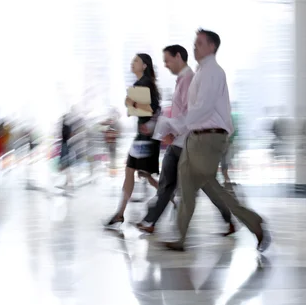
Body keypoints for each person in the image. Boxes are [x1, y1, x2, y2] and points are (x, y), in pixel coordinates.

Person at [163, 29, 270, 252]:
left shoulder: (213, 71)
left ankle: (253, 221)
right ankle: (180, 237)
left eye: (199, 43)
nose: (195, 47)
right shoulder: (202, 72)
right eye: (194, 43)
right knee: (187, 184)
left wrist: (177, 125)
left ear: (211, 47)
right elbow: (194, 110)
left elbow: (203, 108)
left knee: (209, 183)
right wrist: (180, 129)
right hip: (195, 137)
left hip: (209, 138)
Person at [135, 45, 235, 236]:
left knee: (206, 185)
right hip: (179, 142)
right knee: (167, 182)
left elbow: (194, 114)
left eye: (167, 60)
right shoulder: (182, 80)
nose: (165, 65)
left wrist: (173, 130)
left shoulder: (190, 80)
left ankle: (228, 217)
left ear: (178, 57)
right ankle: (151, 221)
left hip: (189, 143)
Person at [104, 53, 161, 229]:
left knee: (134, 171)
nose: (132, 62)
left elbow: (148, 110)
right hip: (145, 136)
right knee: (141, 173)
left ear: (144, 65)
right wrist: (132, 105)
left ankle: (121, 213)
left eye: (136, 60)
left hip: (144, 137)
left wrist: (132, 104)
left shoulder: (143, 83)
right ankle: (120, 213)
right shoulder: (146, 83)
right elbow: (149, 110)